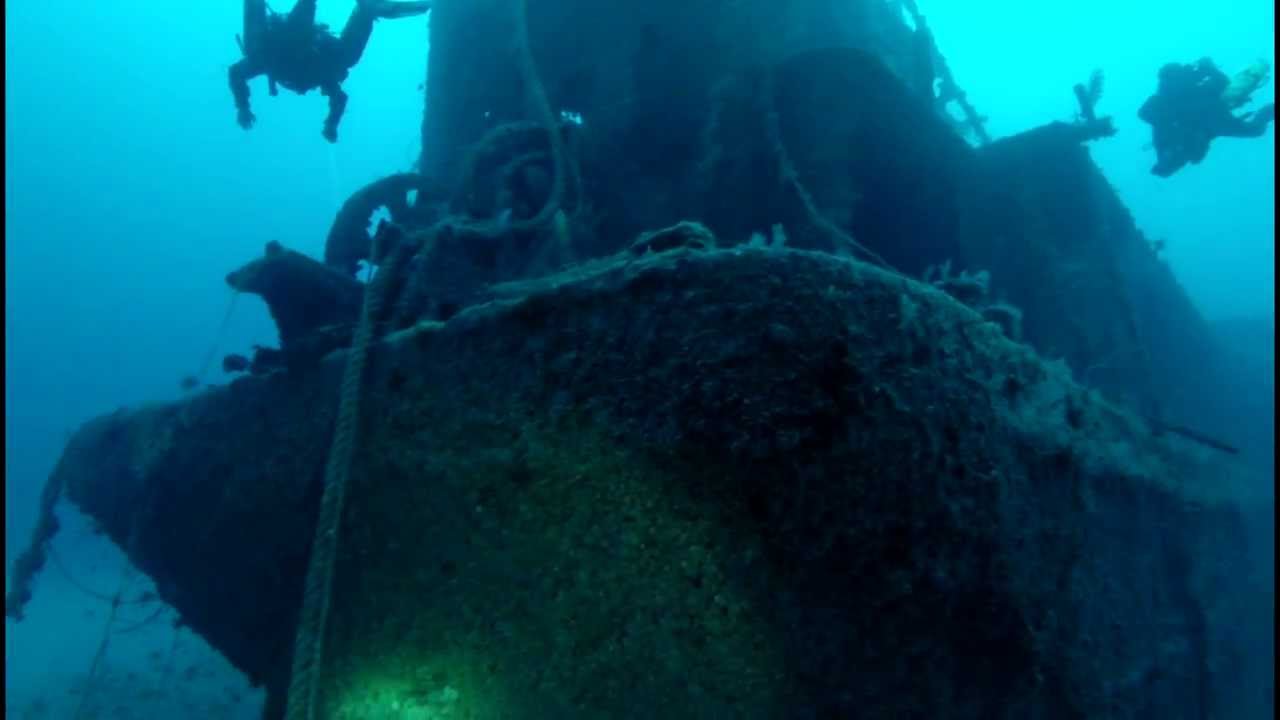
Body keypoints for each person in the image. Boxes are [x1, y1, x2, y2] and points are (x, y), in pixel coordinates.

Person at [230, 0, 432, 143]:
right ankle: (368, 10)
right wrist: (331, 126)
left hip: (291, 49)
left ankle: (368, 10)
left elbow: (236, 73)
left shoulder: (268, 59)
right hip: (308, 51)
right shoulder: (323, 73)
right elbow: (339, 98)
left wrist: (243, 107)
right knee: (344, 54)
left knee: (336, 52)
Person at [1138, 57, 1274, 177]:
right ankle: (1257, 72)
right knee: (1253, 127)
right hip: (1211, 115)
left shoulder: (1167, 97)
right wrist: (1207, 68)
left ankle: (1258, 75)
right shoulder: (1179, 86)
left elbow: (1145, 113)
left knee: (1254, 129)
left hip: (1210, 119)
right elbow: (1222, 81)